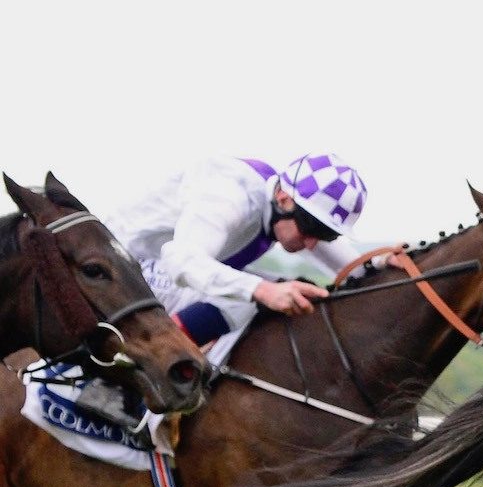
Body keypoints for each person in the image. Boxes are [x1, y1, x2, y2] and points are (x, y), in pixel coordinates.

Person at [72, 152, 369, 427]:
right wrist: (263, 290)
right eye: (310, 228)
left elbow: (351, 262)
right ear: (283, 197)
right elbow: (182, 261)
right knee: (254, 296)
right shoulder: (229, 197)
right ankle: (117, 381)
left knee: (277, 290)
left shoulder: (284, 207)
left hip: (150, 269)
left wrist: (382, 261)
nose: (313, 243)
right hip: (126, 272)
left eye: (325, 235)